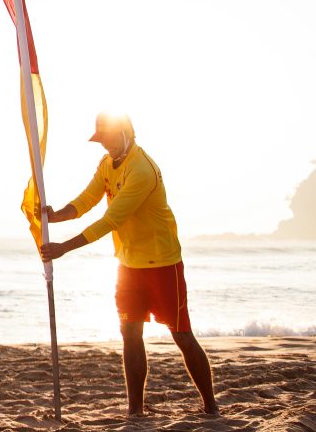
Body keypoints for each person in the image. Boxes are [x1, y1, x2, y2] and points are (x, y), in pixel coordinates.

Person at [41, 112, 218, 416]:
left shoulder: (142, 170)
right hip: (128, 265)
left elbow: (110, 220)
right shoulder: (106, 164)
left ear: (126, 133)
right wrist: (56, 216)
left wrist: (64, 248)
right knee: (130, 333)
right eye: (101, 140)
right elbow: (87, 200)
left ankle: (211, 406)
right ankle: (135, 410)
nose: (105, 145)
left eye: (109, 138)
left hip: (162, 264)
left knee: (181, 335)